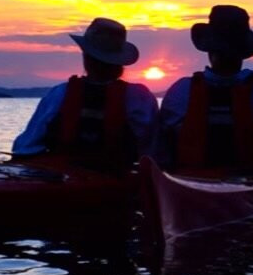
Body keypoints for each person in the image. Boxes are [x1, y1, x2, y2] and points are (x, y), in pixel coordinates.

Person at [159, 5, 253, 174]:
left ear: (209, 48)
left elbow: (160, 151)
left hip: (187, 183)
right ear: (244, 51)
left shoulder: (179, 92)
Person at [12, 18, 158, 172]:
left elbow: (25, 146)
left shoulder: (59, 94)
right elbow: (154, 152)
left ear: (86, 57)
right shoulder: (141, 99)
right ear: (120, 62)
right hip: (116, 179)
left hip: (63, 179)